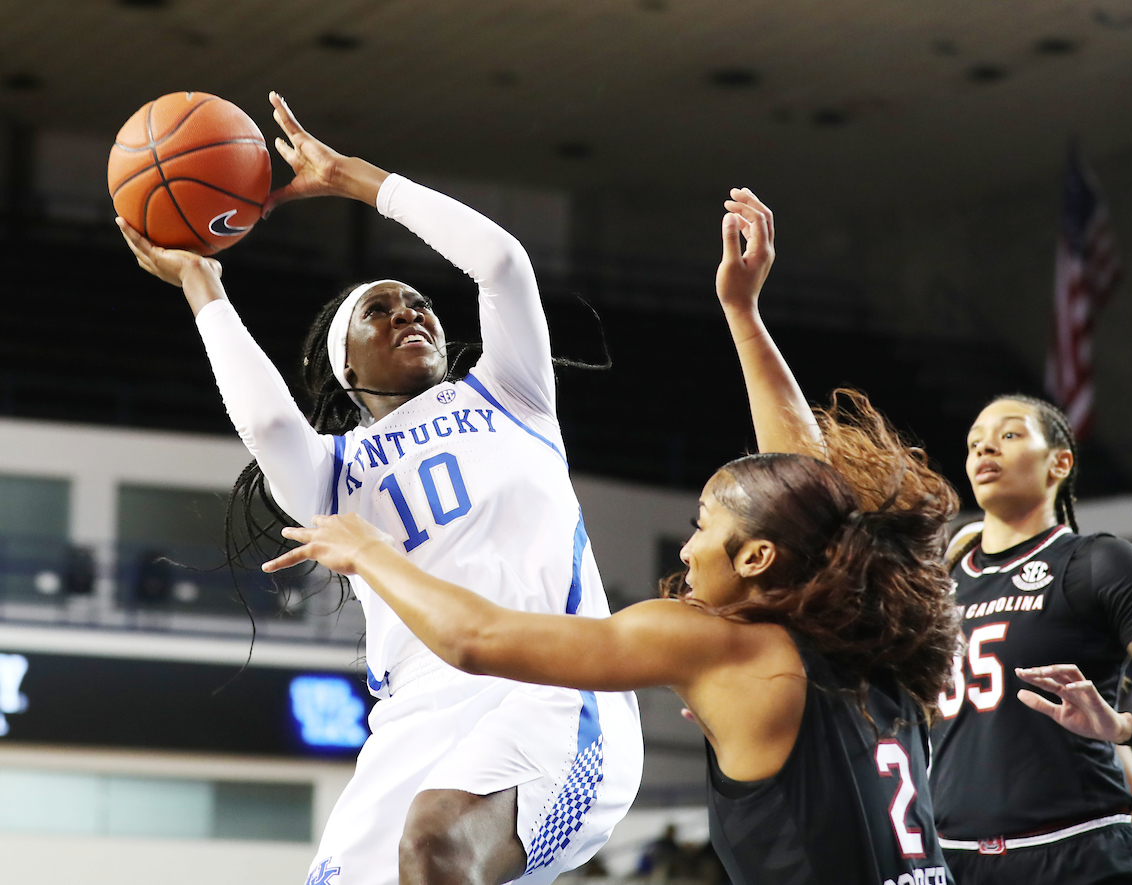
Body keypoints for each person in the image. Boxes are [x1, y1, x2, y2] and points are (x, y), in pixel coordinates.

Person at [263, 189, 962, 885]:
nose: (686, 550)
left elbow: (476, 639)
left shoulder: (718, 644)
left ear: (756, 556)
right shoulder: (875, 642)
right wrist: (743, 315)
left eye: (703, 527)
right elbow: (813, 493)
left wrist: (370, 552)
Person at [116, 92, 643, 885]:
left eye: (419, 302)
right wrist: (202, 286)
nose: (410, 312)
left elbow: (502, 263)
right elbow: (269, 429)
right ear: (347, 369)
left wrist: (357, 181)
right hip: (418, 718)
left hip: (555, 684)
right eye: (380, 309)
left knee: (433, 846)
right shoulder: (335, 475)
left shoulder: (514, 395)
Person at [932, 394, 1132, 883]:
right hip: (954, 861)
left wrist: (1123, 727)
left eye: (1008, 435)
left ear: (1060, 461)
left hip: (1075, 855)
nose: (985, 449)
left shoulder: (1097, 564)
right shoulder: (937, 584)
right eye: (974, 444)